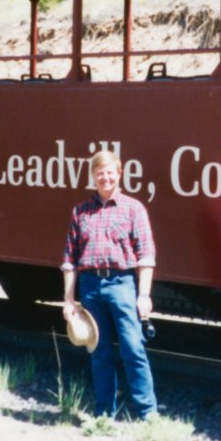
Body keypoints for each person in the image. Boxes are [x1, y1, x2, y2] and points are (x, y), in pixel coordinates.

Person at [61, 150, 158, 420]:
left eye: (110, 172)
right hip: (90, 286)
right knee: (99, 352)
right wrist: (69, 300)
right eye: (99, 173)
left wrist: (144, 295)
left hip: (122, 284)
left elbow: (146, 256)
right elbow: (70, 260)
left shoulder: (134, 209)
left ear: (120, 173)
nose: (105, 177)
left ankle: (147, 413)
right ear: (93, 176)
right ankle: (104, 412)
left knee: (133, 348)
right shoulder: (80, 212)